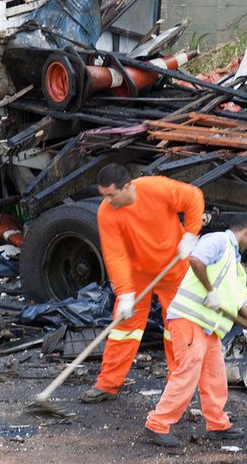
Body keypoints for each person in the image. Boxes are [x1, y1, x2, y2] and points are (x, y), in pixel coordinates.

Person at [80, 164, 204, 404]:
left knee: (177, 329)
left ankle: (176, 387)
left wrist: (191, 233)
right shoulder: (107, 212)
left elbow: (193, 197)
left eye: (111, 195)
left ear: (127, 187)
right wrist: (125, 294)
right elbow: (115, 254)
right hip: (137, 273)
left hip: (173, 268)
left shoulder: (156, 188)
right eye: (103, 195)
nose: (106, 200)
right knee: (124, 327)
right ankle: (107, 384)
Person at [144, 213, 247, 447]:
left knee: (215, 374)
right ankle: (157, 423)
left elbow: (240, 300)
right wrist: (210, 291)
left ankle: (217, 425)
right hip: (189, 317)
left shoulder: (234, 262)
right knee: (188, 372)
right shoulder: (219, 241)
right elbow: (196, 260)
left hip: (208, 326)